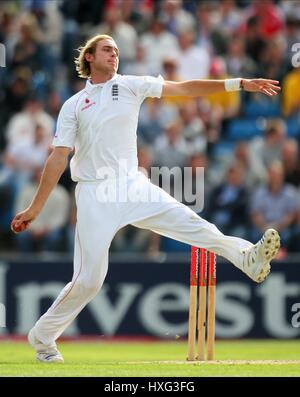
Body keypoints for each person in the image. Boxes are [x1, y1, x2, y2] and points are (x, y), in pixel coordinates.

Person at [11, 34, 281, 363]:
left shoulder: (131, 85)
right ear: (90, 58)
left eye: (117, 50)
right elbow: (58, 158)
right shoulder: (73, 105)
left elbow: (184, 88)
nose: (114, 55)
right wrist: (36, 208)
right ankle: (43, 337)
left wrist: (237, 83)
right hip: (95, 192)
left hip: (132, 184)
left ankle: (246, 258)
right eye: (107, 50)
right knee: (89, 281)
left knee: (193, 223)